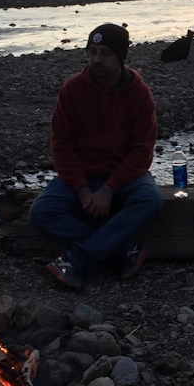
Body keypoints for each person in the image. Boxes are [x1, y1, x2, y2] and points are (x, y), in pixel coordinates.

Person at [29, 23, 163, 291]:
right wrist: (81, 189)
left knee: (150, 199)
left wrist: (110, 189)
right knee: (40, 212)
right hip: (82, 174)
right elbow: (61, 145)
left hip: (123, 177)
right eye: (92, 52)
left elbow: (142, 150)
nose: (96, 60)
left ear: (121, 57)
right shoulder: (73, 90)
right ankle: (122, 249)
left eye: (105, 53)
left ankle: (78, 259)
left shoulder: (139, 93)